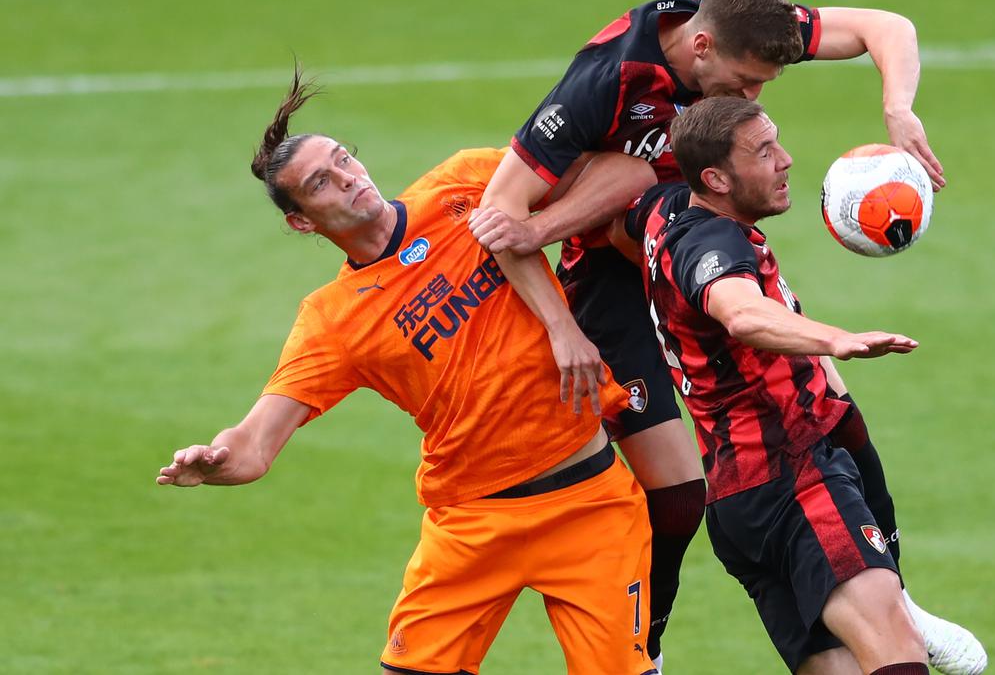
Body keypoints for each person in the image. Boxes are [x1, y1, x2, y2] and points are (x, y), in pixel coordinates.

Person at [467, 0, 946, 668]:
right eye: (746, 82)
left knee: (828, 406)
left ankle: (894, 598)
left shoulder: (743, 20)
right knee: (680, 490)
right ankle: (644, 648)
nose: (753, 97)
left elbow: (886, 26)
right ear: (700, 46)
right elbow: (503, 216)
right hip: (616, 268)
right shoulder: (602, 84)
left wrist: (897, 109)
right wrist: (560, 328)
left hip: (690, 226)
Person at [155, 71, 661, 675]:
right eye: (321, 182)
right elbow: (256, 443)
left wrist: (534, 230)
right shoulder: (332, 319)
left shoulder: (468, 182)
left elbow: (631, 173)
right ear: (301, 221)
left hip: (591, 502)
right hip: (472, 524)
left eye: (343, 159)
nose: (347, 178)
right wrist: (218, 460)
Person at [619, 96, 985, 675]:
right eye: (764, 153)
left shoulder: (664, 213)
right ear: (715, 179)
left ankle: (904, 599)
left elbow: (620, 211)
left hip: (737, 502)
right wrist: (834, 339)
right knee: (898, 655)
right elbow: (740, 313)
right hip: (793, 479)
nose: (786, 160)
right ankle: (904, 607)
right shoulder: (714, 247)